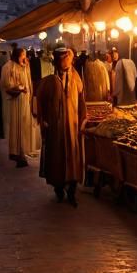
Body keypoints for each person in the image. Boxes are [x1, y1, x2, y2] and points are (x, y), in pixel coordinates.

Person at [34, 47, 87, 205]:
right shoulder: (49, 81)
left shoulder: (76, 78)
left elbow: (82, 100)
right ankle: (58, 188)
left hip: (72, 126)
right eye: (65, 59)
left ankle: (71, 191)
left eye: (69, 59)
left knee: (73, 158)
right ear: (58, 62)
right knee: (56, 158)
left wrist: (83, 119)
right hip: (56, 128)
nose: (68, 62)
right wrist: (43, 120)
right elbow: (39, 102)